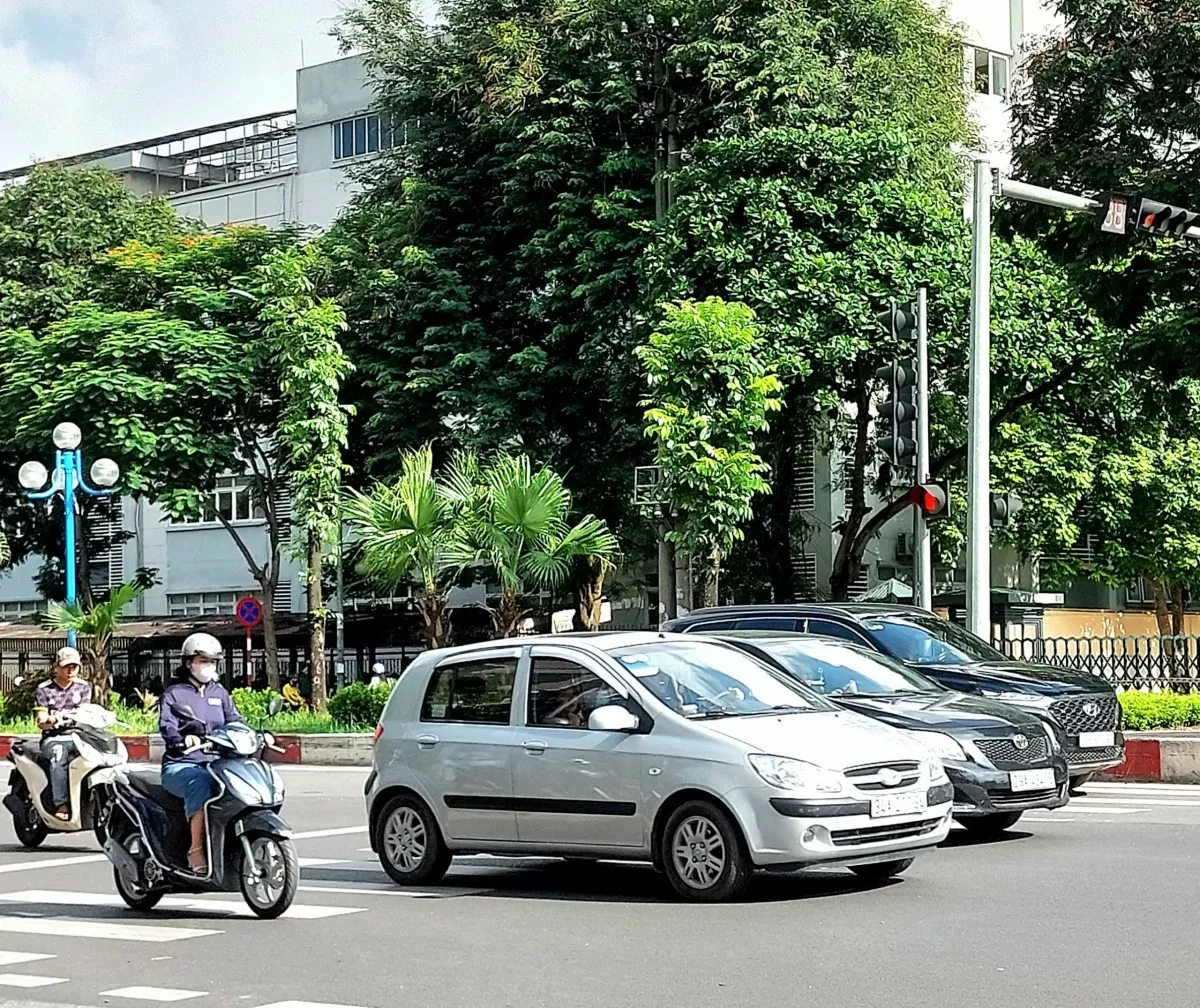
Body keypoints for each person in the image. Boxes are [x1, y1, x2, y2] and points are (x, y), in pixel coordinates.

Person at [159, 633, 243, 874]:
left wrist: (256, 735)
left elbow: (235, 721)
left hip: (218, 763)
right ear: (189, 663)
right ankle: (195, 849)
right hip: (182, 764)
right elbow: (167, 726)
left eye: (212, 661)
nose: (208, 666)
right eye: (203, 660)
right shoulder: (175, 694)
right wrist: (182, 740)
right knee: (201, 784)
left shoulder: (219, 693)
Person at [33, 646, 93, 820]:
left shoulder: (83, 687)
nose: (70, 670)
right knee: (59, 754)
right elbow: (41, 719)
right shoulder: (45, 689)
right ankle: (61, 803)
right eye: (66, 666)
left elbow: (86, 712)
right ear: (56, 667)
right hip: (54, 738)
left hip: (79, 736)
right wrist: (47, 721)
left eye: (74, 666)